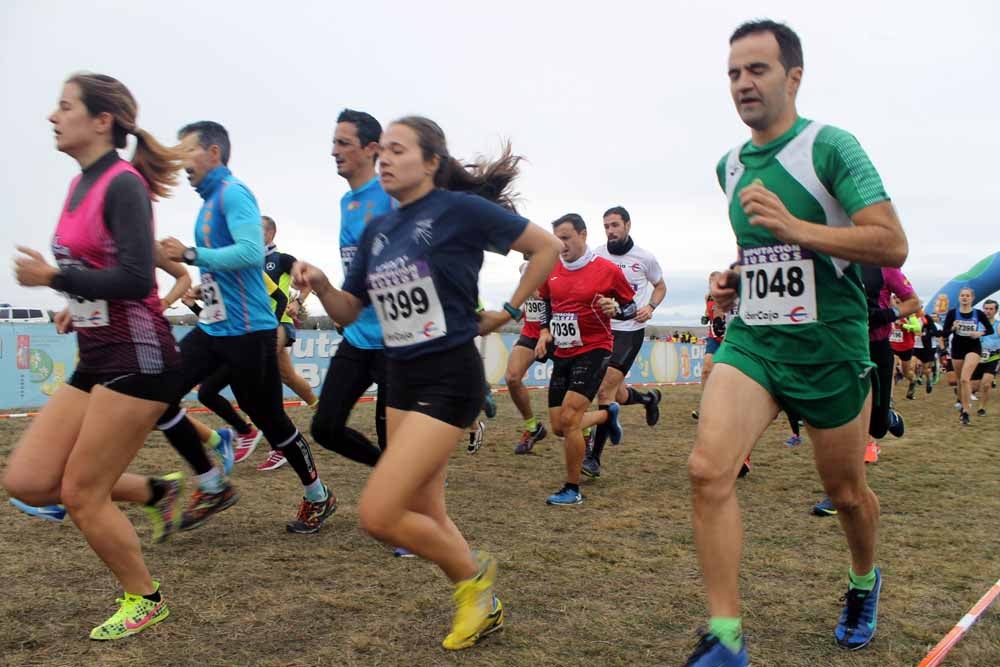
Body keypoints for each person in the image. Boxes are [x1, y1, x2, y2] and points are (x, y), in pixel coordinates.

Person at [684, 21, 909, 667]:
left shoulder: (830, 147)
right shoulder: (728, 166)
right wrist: (734, 277)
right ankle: (725, 636)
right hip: (756, 339)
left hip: (830, 346)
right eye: (733, 73)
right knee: (707, 469)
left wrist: (795, 226)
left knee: (845, 494)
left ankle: (864, 580)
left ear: (794, 76)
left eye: (757, 69)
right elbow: (763, 249)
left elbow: (891, 243)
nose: (743, 83)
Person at [293, 116, 561, 649]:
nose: (385, 159)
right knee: (426, 510)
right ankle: (479, 603)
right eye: (383, 151)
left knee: (381, 514)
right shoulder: (377, 230)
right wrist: (322, 284)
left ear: (431, 162)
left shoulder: (459, 210)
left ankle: (473, 577)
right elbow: (350, 312)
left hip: (449, 376)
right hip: (400, 372)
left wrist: (507, 312)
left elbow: (546, 247)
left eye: (398, 149)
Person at [3, 73, 186, 639]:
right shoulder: (78, 184)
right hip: (97, 353)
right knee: (29, 481)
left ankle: (145, 598)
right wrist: (73, 300)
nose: (53, 118)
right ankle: (158, 491)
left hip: (140, 356)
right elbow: (101, 272)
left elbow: (135, 277)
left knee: (81, 493)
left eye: (64, 107)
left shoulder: (123, 183)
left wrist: (54, 277)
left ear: (101, 120)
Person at [158, 120, 335, 534]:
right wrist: (203, 288)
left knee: (270, 419)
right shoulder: (207, 202)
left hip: (250, 333)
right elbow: (229, 266)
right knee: (159, 397)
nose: (182, 160)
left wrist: (189, 253)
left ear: (214, 153)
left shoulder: (233, 193)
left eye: (188, 151)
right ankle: (212, 483)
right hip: (215, 328)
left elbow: (251, 252)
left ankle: (318, 495)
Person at [534, 213, 636, 501]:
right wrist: (544, 331)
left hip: (595, 348)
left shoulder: (607, 270)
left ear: (583, 235)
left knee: (569, 419)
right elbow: (545, 302)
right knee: (558, 427)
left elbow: (630, 307)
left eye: (566, 238)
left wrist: (615, 308)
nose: (561, 245)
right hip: (563, 351)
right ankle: (607, 414)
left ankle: (572, 489)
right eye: (557, 240)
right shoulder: (551, 269)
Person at [583, 206, 665, 478]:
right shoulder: (596, 255)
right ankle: (649, 399)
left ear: (628, 225)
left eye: (615, 225)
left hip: (629, 331)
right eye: (606, 226)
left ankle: (593, 458)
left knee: (604, 392)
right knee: (617, 394)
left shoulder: (644, 258)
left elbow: (661, 286)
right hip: (602, 330)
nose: (610, 231)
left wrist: (651, 307)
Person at [253, 214, 318, 471]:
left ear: (270, 234)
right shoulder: (249, 259)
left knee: (262, 376)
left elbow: (308, 281)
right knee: (288, 376)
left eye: (257, 229)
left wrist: (297, 302)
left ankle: (279, 444)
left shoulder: (281, 260)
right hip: (256, 327)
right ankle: (321, 412)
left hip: (278, 324)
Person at [507, 255, 555, 454]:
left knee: (570, 389)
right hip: (531, 333)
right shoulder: (524, 268)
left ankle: (586, 434)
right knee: (512, 377)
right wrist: (516, 311)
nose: (524, 252)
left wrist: (532, 290)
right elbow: (527, 301)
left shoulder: (556, 268)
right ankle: (533, 428)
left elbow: (545, 296)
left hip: (555, 334)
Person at [942, 287, 994, 425]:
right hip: (958, 347)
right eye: (962, 295)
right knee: (960, 380)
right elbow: (945, 333)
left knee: (965, 379)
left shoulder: (978, 314)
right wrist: (952, 328)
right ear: (959, 298)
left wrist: (980, 333)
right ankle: (962, 404)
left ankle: (965, 411)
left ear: (972, 298)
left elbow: (990, 329)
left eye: (967, 296)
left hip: (973, 346)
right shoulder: (953, 313)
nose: (964, 298)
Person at [970, 299, 998, 416]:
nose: (988, 311)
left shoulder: (998, 325)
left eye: (991, 309)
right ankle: (964, 396)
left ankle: (982, 408)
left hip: (992, 357)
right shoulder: (976, 324)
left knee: (986, 385)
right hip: (977, 357)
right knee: (974, 386)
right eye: (986, 308)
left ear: (996, 311)